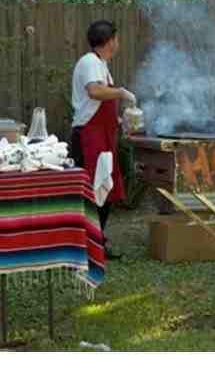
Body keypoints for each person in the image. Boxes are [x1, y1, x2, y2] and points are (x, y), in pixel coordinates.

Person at [70, 20, 135, 259]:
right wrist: (121, 92)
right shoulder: (90, 61)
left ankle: (96, 241)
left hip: (103, 135)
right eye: (116, 38)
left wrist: (120, 120)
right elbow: (95, 91)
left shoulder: (101, 65)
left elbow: (99, 104)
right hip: (89, 136)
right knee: (94, 190)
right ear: (109, 40)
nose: (118, 43)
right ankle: (87, 244)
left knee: (104, 189)